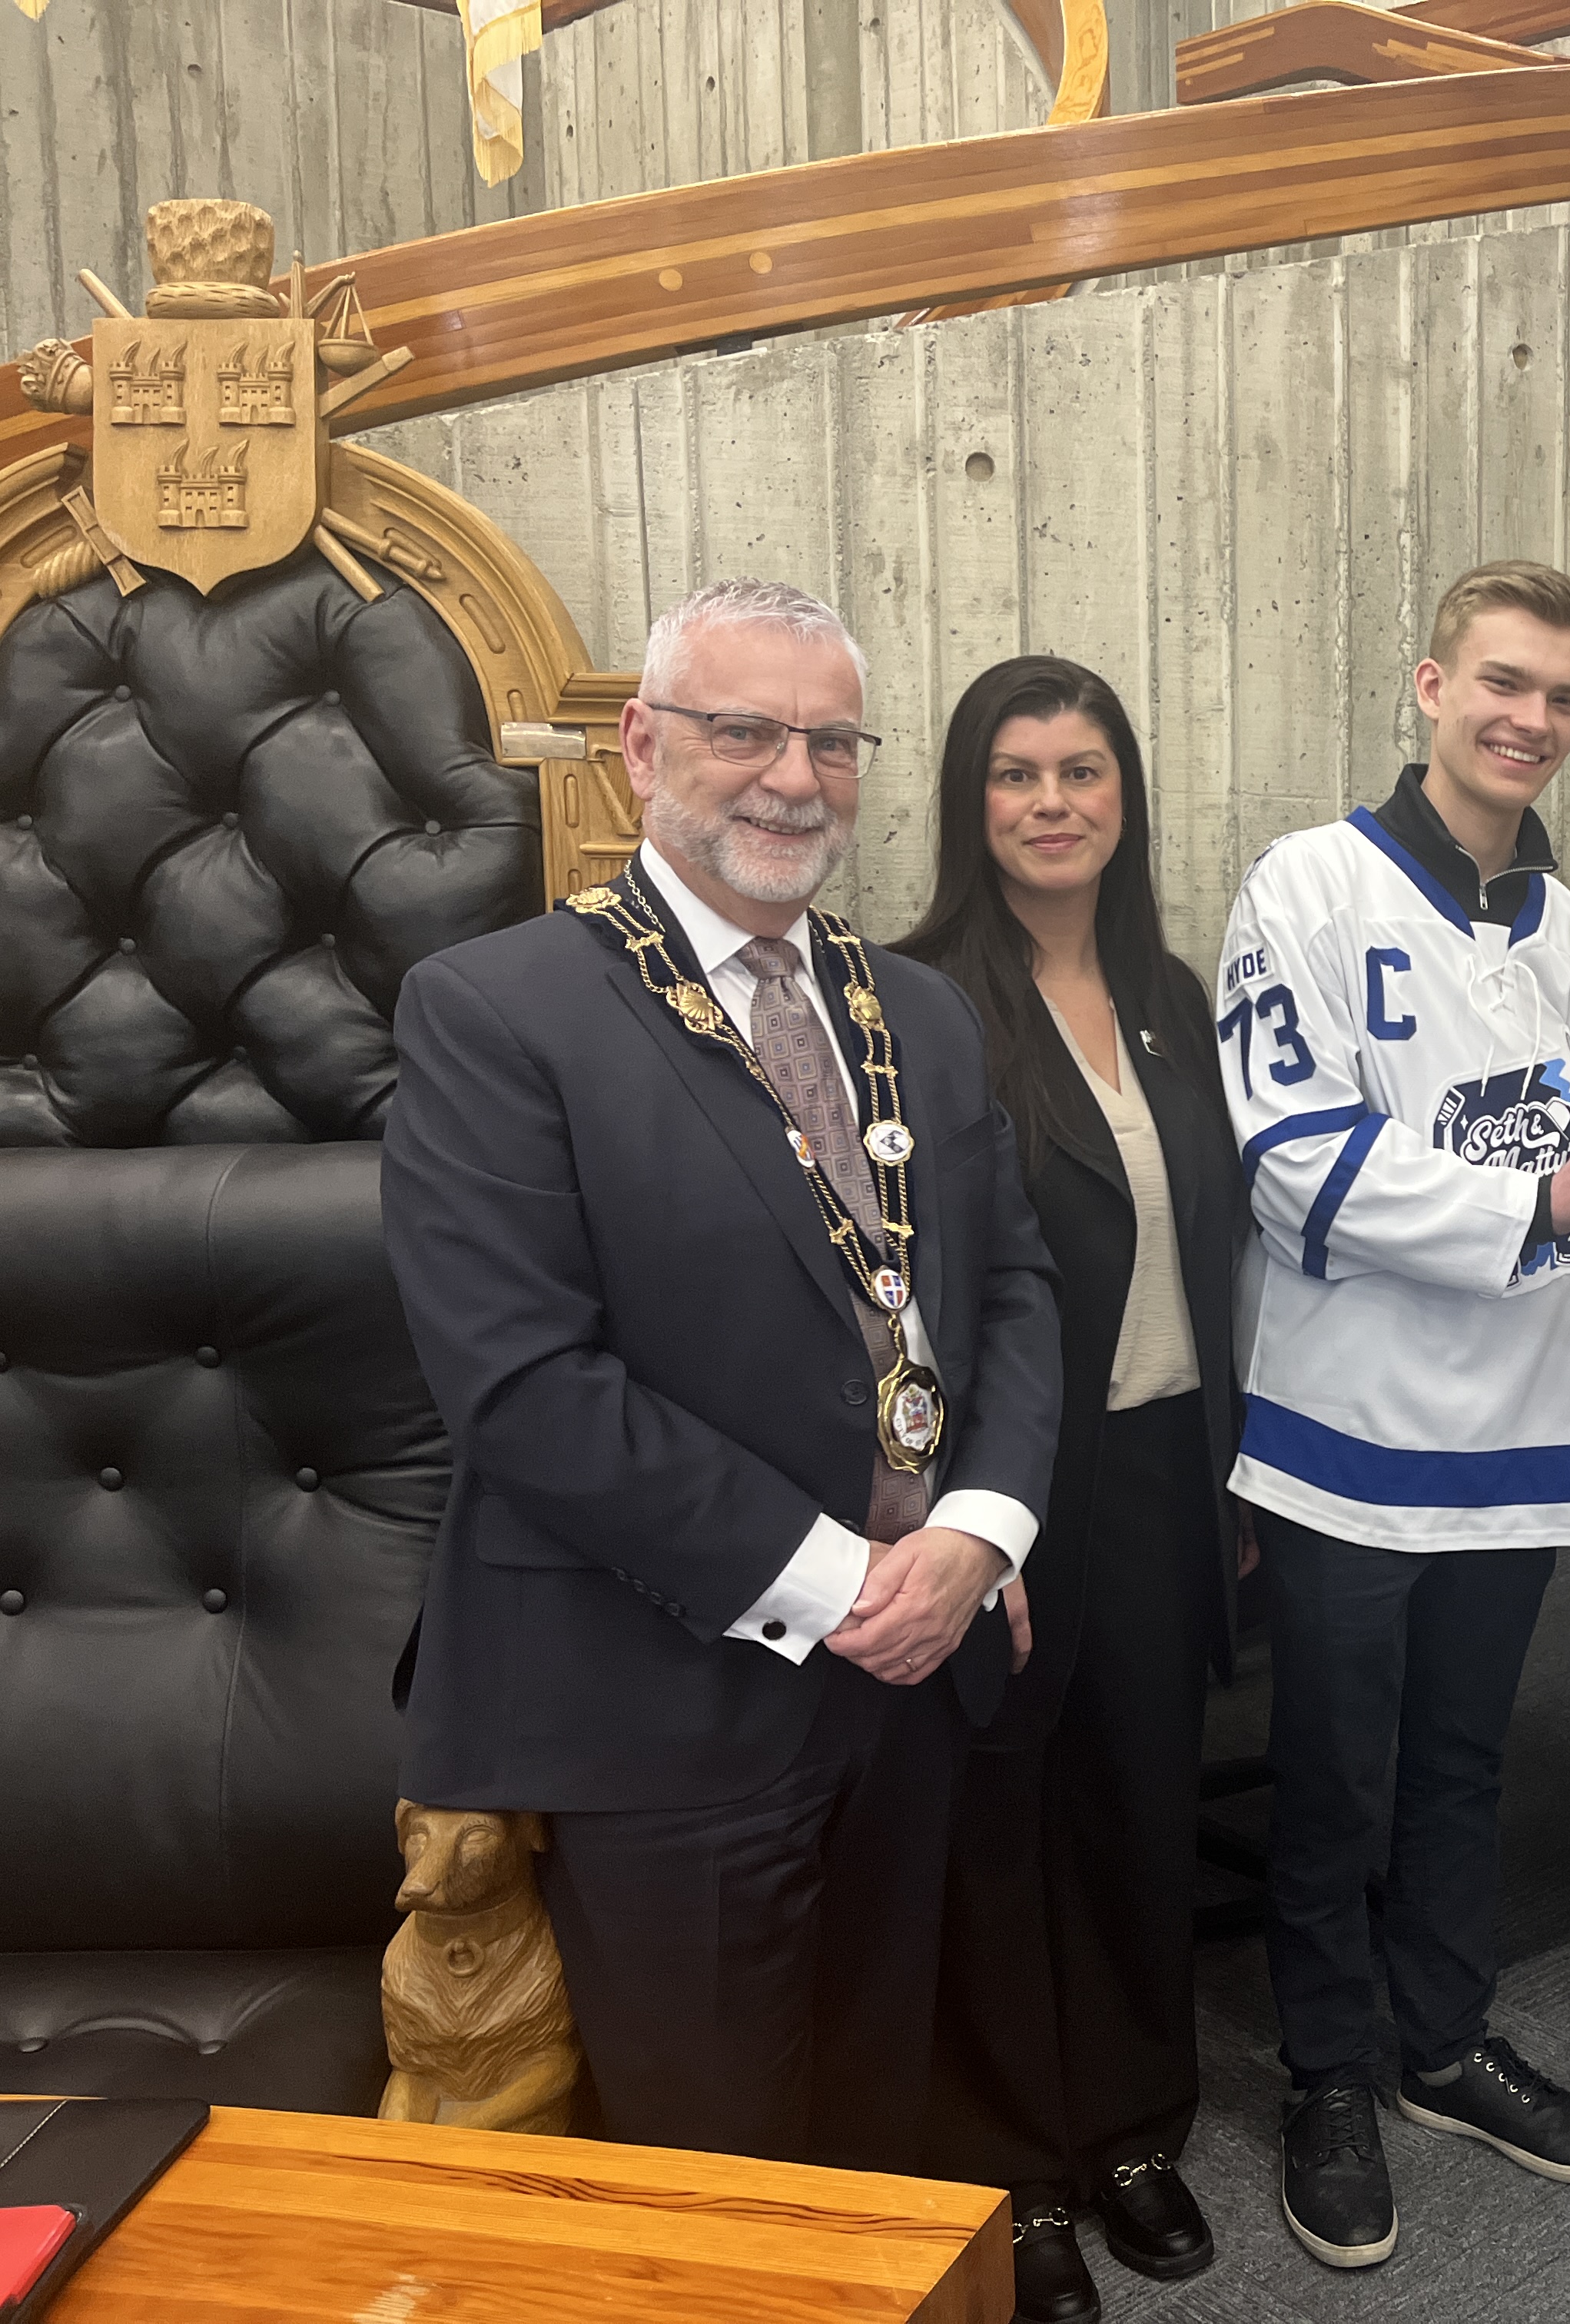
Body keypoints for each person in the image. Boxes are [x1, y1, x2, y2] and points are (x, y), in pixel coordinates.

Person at [382, 577, 1064, 2170]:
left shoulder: (925, 1013)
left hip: (913, 1692)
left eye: (833, 742)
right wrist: (852, 1583)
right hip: (659, 1706)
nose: (793, 776)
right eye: (745, 730)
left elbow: (1014, 1292)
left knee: (882, 2124)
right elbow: (526, 1386)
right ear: (640, 747)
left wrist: (984, 1529)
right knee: (717, 2170)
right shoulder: (495, 1011)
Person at [1215, 559, 1570, 2270]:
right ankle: (1330, 2074)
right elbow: (1289, 1163)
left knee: (1467, 1766)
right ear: (1429, 686)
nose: (1530, 721)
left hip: (1530, 1427)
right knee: (1333, 1778)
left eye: (1560, 696)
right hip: (1351, 1428)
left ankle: (1441, 2040)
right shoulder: (1309, 887)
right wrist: (1543, 1204)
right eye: (1501, 683)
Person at [895, 658, 1249, 2324]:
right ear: (974, 804)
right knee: (995, 1827)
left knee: (1134, 1810)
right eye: (1018, 774)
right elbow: (907, 1289)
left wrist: (1234, 1459)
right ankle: (1012, 2168)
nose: (1053, 804)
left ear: (1127, 796)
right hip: (1013, 1500)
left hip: (1172, 1466)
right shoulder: (916, 1002)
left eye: (1084, 772)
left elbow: (1217, 1247)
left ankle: (1128, 2129)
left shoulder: (1169, 987)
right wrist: (967, 1513)